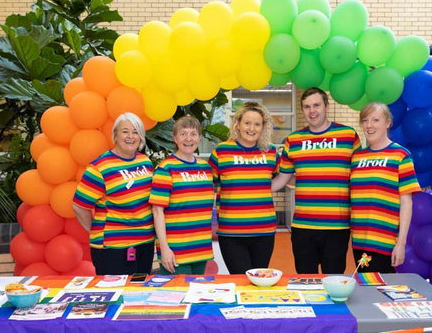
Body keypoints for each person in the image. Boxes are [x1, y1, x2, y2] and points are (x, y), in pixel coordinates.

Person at [272, 87, 361, 274]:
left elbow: (360, 178)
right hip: (303, 227)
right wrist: (247, 184)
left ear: (326, 107)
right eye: (306, 107)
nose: (312, 111)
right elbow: (281, 180)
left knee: (334, 282)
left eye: (316, 105)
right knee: (306, 284)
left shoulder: (348, 136)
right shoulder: (294, 140)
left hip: (337, 227)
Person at [73, 112, 155, 275]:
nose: (130, 136)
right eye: (125, 131)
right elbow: (79, 206)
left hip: (145, 243)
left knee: (139, 293)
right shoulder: (99, 168)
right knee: (117, 295)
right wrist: (96, 230)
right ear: (115, 135)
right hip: (113, 248)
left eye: (135, 131)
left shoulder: (145, 162)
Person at [208, 101, 279, 274]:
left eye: (257, 124)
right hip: (232, 233)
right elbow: (209, 187)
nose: (252, 128)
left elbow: (280, 180)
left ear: (263, 127)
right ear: (237, 124)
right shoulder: (221, 152)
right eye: (247, 123)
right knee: (241, 280)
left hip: (264, 231)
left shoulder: (270, 152)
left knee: (259, 281)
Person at [350, 102, 421, 273]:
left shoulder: (401, 155)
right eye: (365, 120)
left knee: (380, 294)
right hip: (359, 241)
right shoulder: (356, 157)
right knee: (365, 289)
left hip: (385, 243)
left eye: (375, 120)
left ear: (388, 123)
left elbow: (406, 202)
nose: (369, 125)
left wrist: (401, 244)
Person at [149, 116, 215, 275]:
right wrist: (164, 249)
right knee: (178, 298)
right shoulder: (166, 169)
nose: (188, 139)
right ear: (175, 138)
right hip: (175, 251)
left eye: (193, 134)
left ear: (199, 138)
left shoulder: (205, 168)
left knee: (195, 296)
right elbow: (157, 211)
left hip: (201, 249)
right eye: (183, 133)